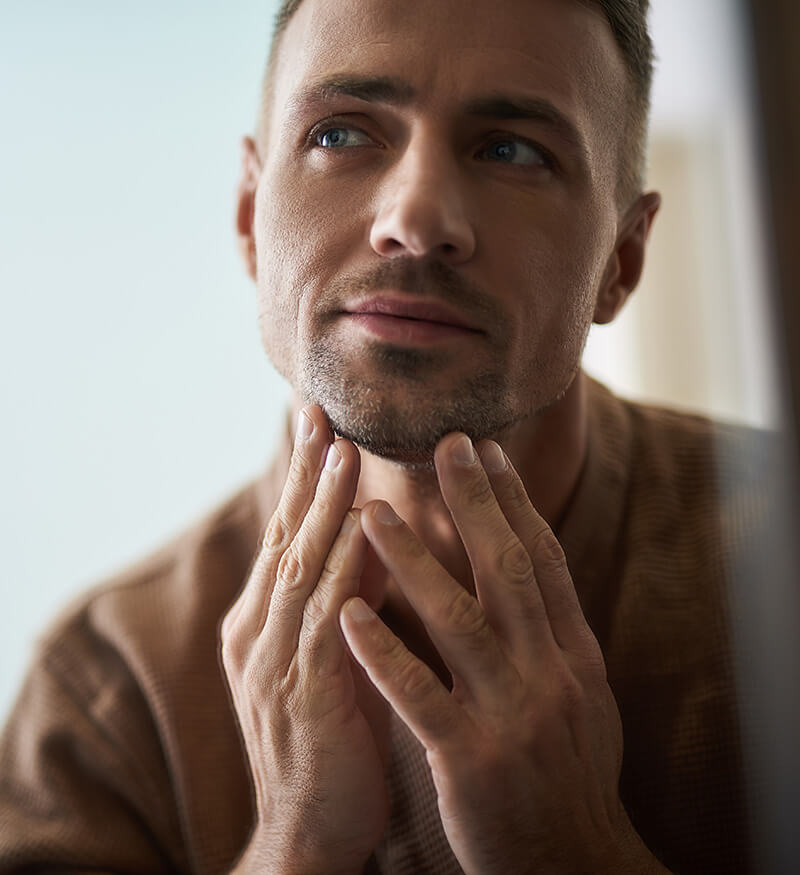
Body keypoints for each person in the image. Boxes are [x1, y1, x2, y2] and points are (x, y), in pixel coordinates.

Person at [0, 0, 772, 872]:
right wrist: (294, 843)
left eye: (511, 148)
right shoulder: (106, 697)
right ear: (252, 217)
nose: (416, 215)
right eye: (340, 135)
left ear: (620, 261)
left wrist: (573, 848)